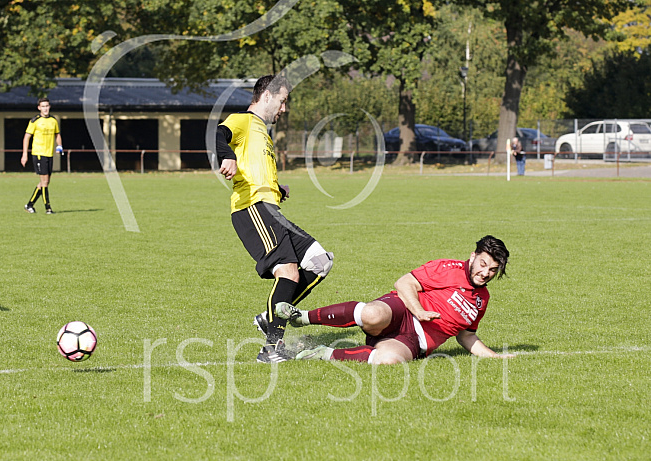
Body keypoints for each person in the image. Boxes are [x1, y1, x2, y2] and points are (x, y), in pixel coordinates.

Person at [215, 74, 334, 363]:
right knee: (289, 272)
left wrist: (276, 188)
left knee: (321, 261)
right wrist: (226, 156)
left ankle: (271, 317)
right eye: (282, 101)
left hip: (269, 208)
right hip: (252, 208)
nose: (284, 109)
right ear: (266, 96)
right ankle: (271, 349)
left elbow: (253, 168)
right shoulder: (243, 120)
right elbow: (219, 134)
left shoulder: (262, 132)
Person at [275, 235, 513, 364]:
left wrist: (494, 356)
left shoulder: (482, 299)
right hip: (402, 312)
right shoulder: (448, 268)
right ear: (473, 257)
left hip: (414, 341)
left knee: (388, 361)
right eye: (483, 264)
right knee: (372, 314)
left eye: (492, 270)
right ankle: (302, 317)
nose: (485, 273)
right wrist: (419, 311)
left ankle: (320, 353)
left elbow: (466, 335)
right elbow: (404, 283)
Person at [21, 97, 63, 214]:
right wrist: (25, 154)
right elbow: (26, 137)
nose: (45, 108)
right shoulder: (35, 121)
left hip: (49, 154)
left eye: (47, 106)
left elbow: (57, 134)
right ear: (39, 108)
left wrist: (59, 146)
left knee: (45, 181)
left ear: (49, 107)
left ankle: (29, 205)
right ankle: (48, 208)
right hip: (39, 153)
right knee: (44, 182)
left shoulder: (53, 120)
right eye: (43, 106)